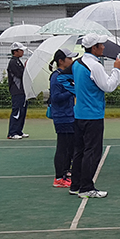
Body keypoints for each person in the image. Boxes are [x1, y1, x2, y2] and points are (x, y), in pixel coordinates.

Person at [71, 34, 120, 198]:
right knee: (92, 152)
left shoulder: (77, 63)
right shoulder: (94, 65)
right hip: (92, 115)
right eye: (101, 45)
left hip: (79, 113)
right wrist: (116, 69)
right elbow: (108, 86)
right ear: (94, 48)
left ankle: (76, 185)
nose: (103, 47)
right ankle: (86, 187)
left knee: (79, 151)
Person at [48, 49, 79, 188]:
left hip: (69, 115)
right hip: (62, 117)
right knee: (63, 147)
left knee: (70, 147)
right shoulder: (56, 77)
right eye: (69, 59)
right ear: (61, 61)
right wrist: (71, 91)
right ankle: (59, 177)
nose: (72, 61)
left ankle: (66, 173)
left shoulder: (65, 75)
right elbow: (55, 98)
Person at [7, 42, 28, 140]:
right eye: (21, 50)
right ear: (15, 51)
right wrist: (26, 67)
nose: (22, 52)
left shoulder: (18, 61)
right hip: (17, 91)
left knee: (22, 111)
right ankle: (12, 132)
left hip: (22, 91)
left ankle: (19, 130)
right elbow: (20, 74)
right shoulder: (13, 62)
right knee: (17, 111)